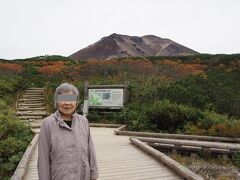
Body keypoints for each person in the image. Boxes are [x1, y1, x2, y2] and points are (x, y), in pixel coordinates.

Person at [38, 83, 98, 180]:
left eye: (71, 99)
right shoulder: (47, 124)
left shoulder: (83, 121)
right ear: (56, 101)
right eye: (63, 98)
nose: (67, 103)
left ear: (76, 102)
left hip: (82, 175)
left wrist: (94, 175)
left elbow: (91, 151)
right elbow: (43, 158)